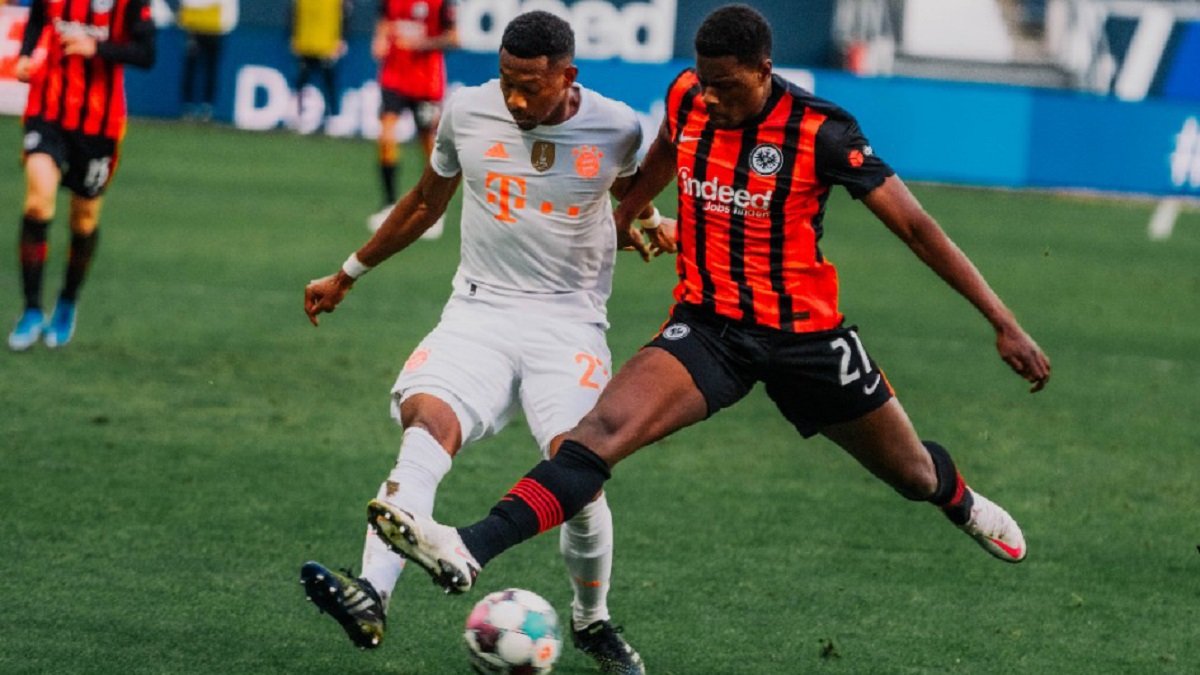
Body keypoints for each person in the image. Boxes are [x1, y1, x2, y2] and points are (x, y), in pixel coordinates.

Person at [365, 3, 1053, 603]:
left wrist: (1004, 323)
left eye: (727, 86)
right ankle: (469, 546)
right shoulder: (690, 98)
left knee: (911, 474)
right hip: (709, 327)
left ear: (764, 70)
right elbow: (667, 148)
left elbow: (917, 228)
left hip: (806, 338)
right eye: (704, 82)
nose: (712, 98)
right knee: (596, 436)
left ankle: (959, 500)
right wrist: (629, 212)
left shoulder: (822, 131)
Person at [301, 11, 660, 674]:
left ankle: (592, 621)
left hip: (569, 323)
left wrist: (649, 217)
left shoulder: (617, 125)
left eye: (531, 86)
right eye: (506, 82)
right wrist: (347, 273)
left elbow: (627, 183)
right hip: (479, 311)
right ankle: (371, 595)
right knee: (425, 425)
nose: (515, 99)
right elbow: (424, 203)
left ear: (568, 76)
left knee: (579, 474)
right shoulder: (467, 111)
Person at [8, 0, 156, 351]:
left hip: (99, 124)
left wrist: (98, 47)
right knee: (37, 203)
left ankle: (67, 301)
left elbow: (147, 55)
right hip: (47, 109)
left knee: (84, 219)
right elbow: (37, 19)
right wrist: (25, 56)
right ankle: (31, 309)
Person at [366, 0, 458, 239]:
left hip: (426, 82)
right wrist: (380, 38)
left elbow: (454, 38)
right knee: (386, 135)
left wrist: (422, 43)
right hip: (393, 77)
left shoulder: (440, 4)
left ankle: (432, 209)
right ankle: (388, 204)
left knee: (428, 143)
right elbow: (385, 20)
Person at [290, 0, 351, 131]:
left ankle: (334, 117)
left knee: (329, 82)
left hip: (327, 44)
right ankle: (297, 114)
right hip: (306, 42)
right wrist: (294, 36)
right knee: (301, 80)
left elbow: (345, 13)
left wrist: (342, 38)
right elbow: (295, 12)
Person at [177, 0, 237, 121]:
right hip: (195, 30)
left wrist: (225, 27)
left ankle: (207, 107)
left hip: (214, 31)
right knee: (191, 69)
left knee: (210, 70)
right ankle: (188, 106)